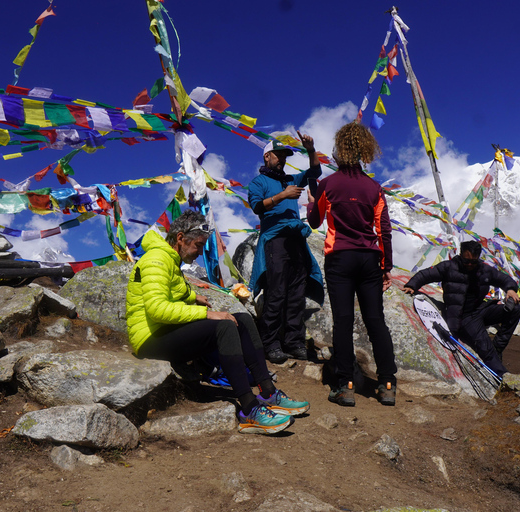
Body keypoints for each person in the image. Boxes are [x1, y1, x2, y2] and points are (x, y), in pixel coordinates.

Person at [125, 210, 310, 434]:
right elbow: (157, 310)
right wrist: (206, 314)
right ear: (180, 238)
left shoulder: (170, 260)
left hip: (165, 332)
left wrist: (194, 297)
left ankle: (268, 392)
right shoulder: (157, 259)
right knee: (224, 326)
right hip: (149, 339)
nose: (200, 252)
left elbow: (172, 290)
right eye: (198, 245)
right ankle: (249, 410)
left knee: (242, 319)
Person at [306, 122, 397, 407]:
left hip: (340, 258)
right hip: (369, 259)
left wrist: (311, 202)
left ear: (339, 151)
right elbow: (383, 229)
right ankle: (387, 383)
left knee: (343, 321)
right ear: (363, 151)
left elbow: (314, 221)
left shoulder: (328, 184)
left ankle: (345, 385)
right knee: (375, 320)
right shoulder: (374, 188)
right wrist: (386, 266)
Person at [248, 132, 325, 364]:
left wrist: (310, 149)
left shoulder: (292, 178)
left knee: (297, 293)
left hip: (296, 239)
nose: (282, 159)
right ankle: (270, 344)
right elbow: (256, 206)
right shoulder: (258, 182)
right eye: (278, 155)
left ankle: (294, 342)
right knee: (276, 292)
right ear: (267, 157)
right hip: (275, 240)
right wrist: (283, 195)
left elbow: (315, 172)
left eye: (284, 156)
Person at [402, 240, 520, 377]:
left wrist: (510, 289)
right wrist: (412, 285)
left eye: (473, 262)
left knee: (515, 310)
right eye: (466, 261)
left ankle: (498, 347)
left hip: (480, 309)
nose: (469, 264)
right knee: (485, 348)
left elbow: (504, 279)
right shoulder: (448, 267)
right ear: (460, 255)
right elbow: (425, 275)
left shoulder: (484, 270)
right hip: (463, 317)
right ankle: (503, 377)